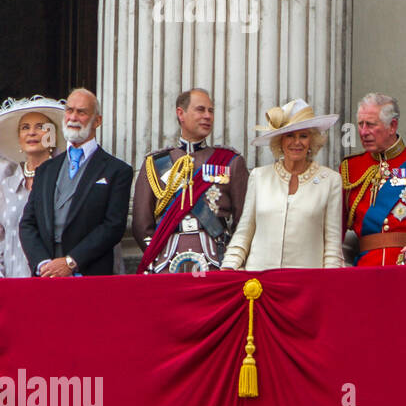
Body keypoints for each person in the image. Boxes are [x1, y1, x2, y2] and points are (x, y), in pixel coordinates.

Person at [132, 88, 249, 273]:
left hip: (216, 262)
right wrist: (156, 257)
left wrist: (232, 261)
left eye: (211, 111)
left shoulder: (231, 161)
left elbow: (244, 220)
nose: (208, 116)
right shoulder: (155, 163)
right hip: (166, 263)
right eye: (200, 110)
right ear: (181, 114)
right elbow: (141, 223)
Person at [20, 88, 132, 277]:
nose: (73, 117)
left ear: (97, 121)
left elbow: (113, 226)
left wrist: (71, 262)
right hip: (46, 277)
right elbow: (27, 224)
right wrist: (43, 264)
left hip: (90, 275)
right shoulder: (46, 170)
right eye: (69, 110)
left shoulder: (117, 170)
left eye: (81, 112)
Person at [222, 100, 344, 270]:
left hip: (306, 283)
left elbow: (332, 244)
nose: (297, 142)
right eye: (290, 135)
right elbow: (244, 231)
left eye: (303, 136)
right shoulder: (259, 177)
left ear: (312, 140)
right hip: (260, 281)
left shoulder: (331, 181)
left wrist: (329, 282)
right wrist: (229, 267)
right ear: (279, 140)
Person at [340, 92, 406, 266]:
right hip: (365, 270)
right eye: (360, 124)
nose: (364, 132)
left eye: (371, 125)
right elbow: (337, 230)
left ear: (392, 126)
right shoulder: (350, 168)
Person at [0, 96, 65, 277]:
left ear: (53, 136)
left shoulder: (65, 180)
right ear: (19, 138)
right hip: (12, 284)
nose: (32, 133)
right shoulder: (6, 184)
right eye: (25, 128)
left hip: (53, 284)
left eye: (40, 127)